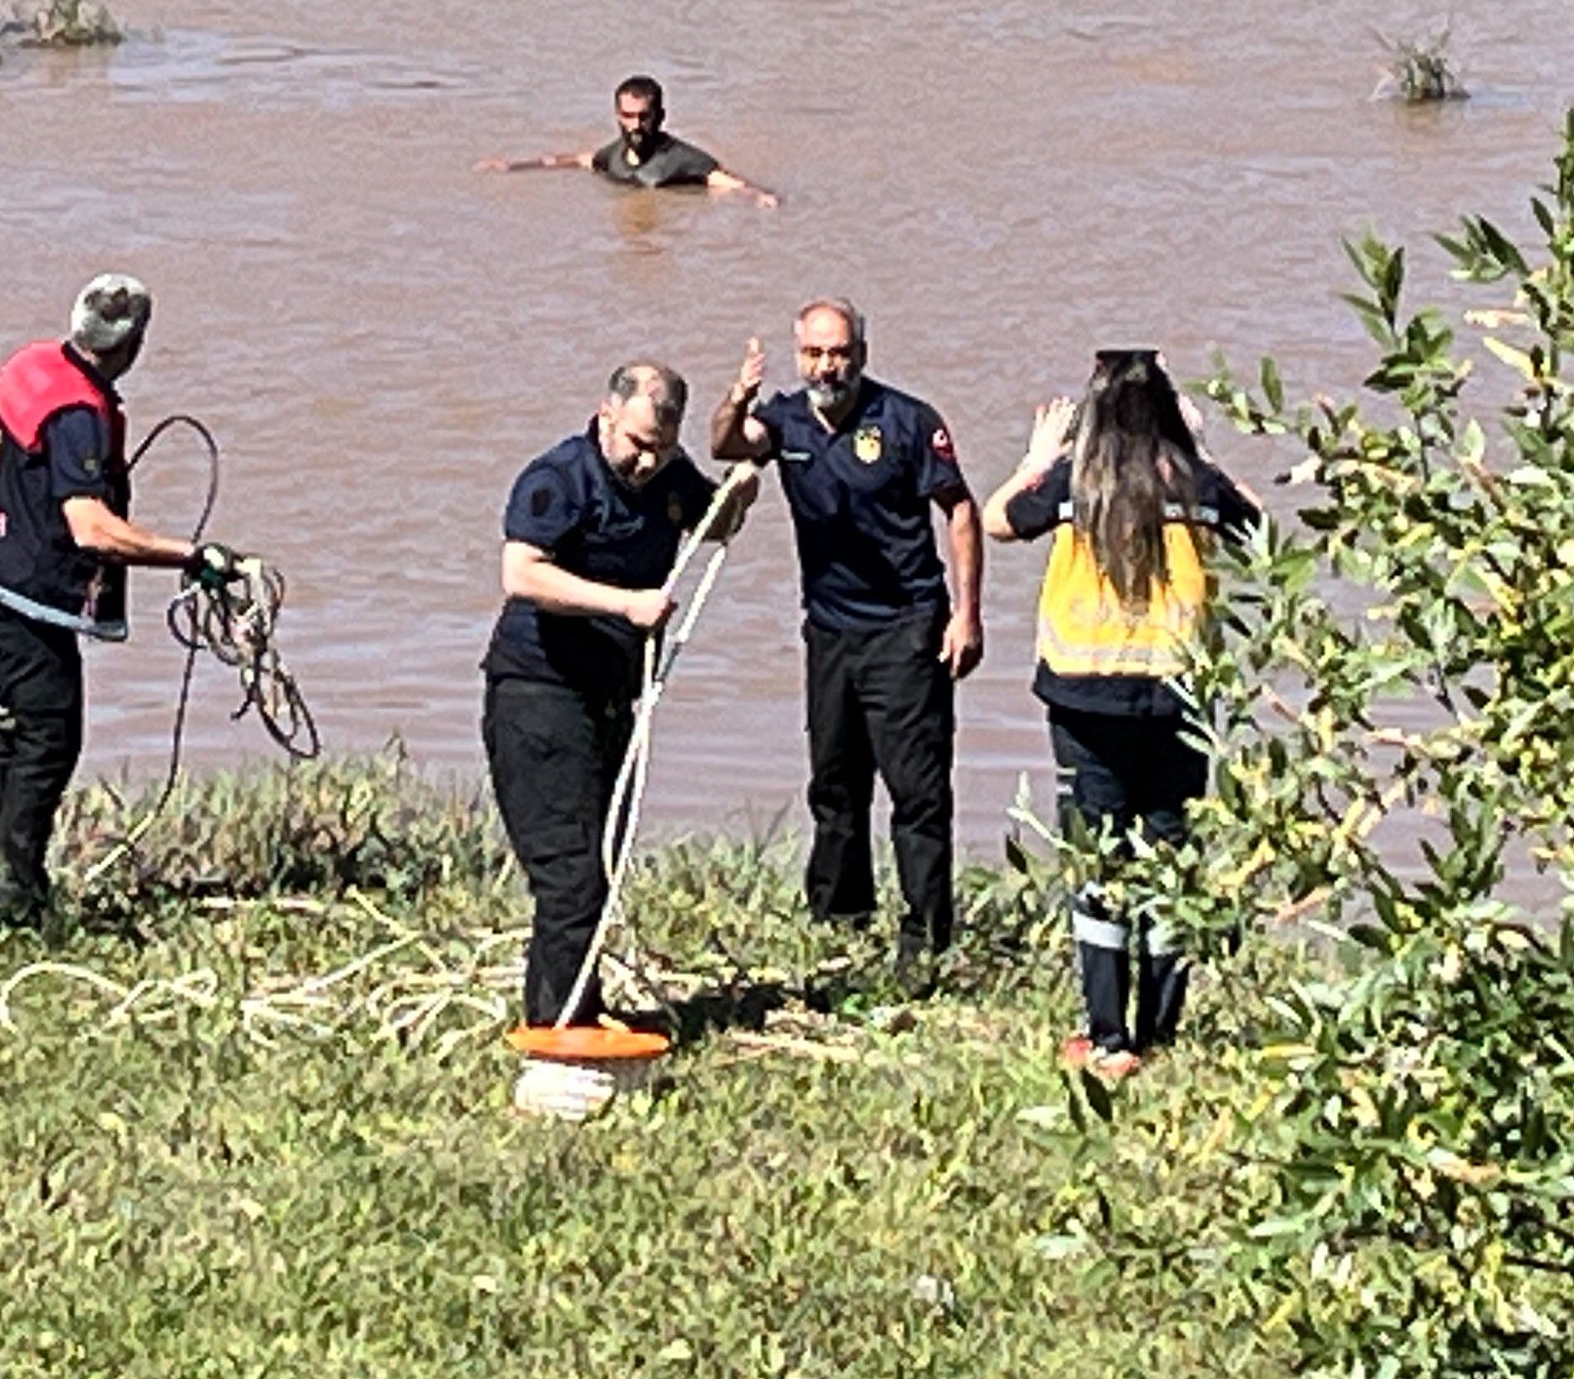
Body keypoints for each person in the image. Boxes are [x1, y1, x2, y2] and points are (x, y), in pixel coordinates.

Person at [981, 349, 1258, 1080]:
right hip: (1178, 699)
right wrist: (1200, 451)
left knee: (1098, 865)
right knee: (1170, 857)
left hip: (1084, 696)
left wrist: (1037, 456)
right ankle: (1158, 1030)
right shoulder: (1195, 481)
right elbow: (1258, 528)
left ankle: (1109, 1040)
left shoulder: (1077, 482)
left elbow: (997, 520)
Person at [0, 272, 241, 921]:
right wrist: (191, 555)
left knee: (1, 724)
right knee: (47, 736)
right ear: (132, 345)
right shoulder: (79, 415)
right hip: (20, 594)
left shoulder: (31, 363)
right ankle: (20, 897)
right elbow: (91, 528)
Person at [708, 300, 980, 962]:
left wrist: (967, 614)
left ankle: (925, 937)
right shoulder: (784, 417)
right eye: (814, 354)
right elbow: (724, 444)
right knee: (835, 785)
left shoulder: (909, 420)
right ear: (798, 354)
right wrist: (737, 395)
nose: (827, 366)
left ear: (861, 351)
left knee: (916, 792)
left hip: (907, 627)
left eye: (838, 353)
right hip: (829, 631)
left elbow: (961, 510)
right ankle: (840, 920)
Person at [481, 363, 748, 1027]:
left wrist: (739, 493)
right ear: (606, 416)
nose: (646, 461)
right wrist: (625, 605)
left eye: (660, 446)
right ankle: (557, 1031)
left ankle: (567, 1011)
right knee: (569, 875)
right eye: (635, 443)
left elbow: (712, 525)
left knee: (594, 870)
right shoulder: (560, 478)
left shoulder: (669, 470)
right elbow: (521, 573)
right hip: (538, 692)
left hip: (611, 699)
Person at [481, 75, 778, 205]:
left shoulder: (683, 160)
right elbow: (574, 160)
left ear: (659, 116)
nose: (634, 126)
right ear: (617, 115)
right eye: (627, 116)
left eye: (642, 117)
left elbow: (728, 182)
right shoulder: (612, 157)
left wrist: (760, 195)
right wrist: (514, 167)